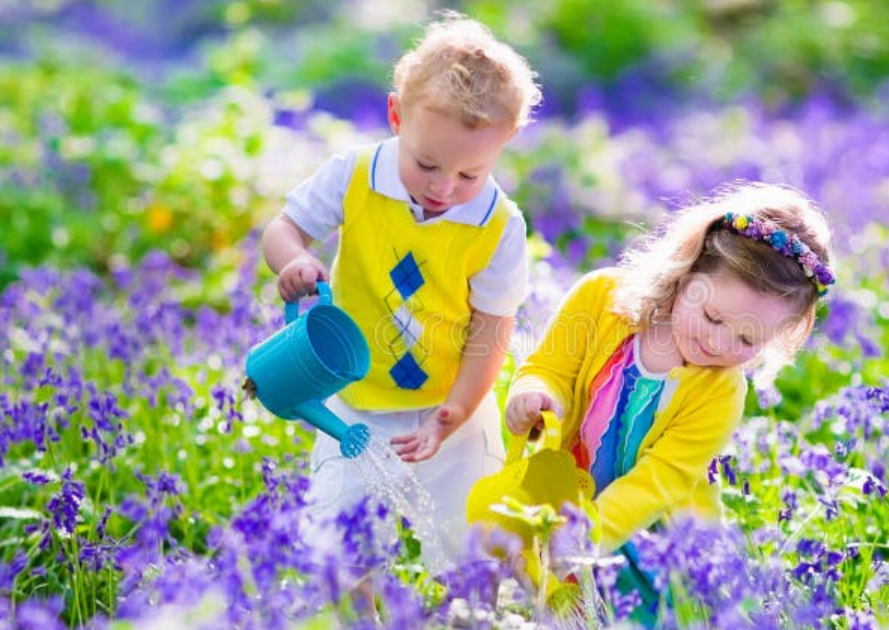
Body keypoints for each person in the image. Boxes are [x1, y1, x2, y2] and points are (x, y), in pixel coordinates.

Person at [258, 11, 542, 568]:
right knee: (339, 546)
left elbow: (492, 328)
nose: (443, 188)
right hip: (354, 402)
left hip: (453, 408)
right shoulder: (355, 175)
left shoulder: (499, 225)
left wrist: (456, 411)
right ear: (395, 116)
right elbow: (283, 229)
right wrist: (292, 260)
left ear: (506, 143)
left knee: (469, 552)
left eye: (469, 175)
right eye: (427, 164)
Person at [503, 181, 835, 617]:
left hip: (651, 540)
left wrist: (587, 536)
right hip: (562, 496)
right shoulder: (600, 298)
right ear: (685, 275)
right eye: (713, 317)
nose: (720, 343)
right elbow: (551, 367)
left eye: (748, 339)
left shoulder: (721, 391)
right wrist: (535, 392)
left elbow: (659, 480)